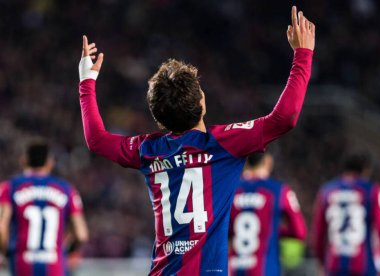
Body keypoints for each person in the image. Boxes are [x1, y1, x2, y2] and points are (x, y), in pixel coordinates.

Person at [78, 6, 315, 275]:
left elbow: (96, 139)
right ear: (201, 103)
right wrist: (303, 55)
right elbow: (285, 118)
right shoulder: (224, 143)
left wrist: (87, 81)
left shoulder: (148, 149)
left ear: (157, 114)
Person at [0, 140, 88, 276]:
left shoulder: (9, 187)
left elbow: (1, 226)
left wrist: (6, 252)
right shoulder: (67, 190)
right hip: (55, 265)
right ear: (49, 163)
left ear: (23, 161)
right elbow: (81, 234)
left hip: (22, 264)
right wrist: (64, 252)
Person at [312, 153, 380, 276]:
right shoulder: (374, 191)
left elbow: (318, 232)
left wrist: (321, 261)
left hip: (334, 265)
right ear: (365, 171)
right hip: (364, 266)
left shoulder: (326, 190)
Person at [228, 152, 307, 276]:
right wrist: (273, 229)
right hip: (265, 270)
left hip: (234, 268)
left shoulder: (230, 191)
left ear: (246, 163)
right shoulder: (279, 190)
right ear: (267, 162)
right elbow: (299, 232)